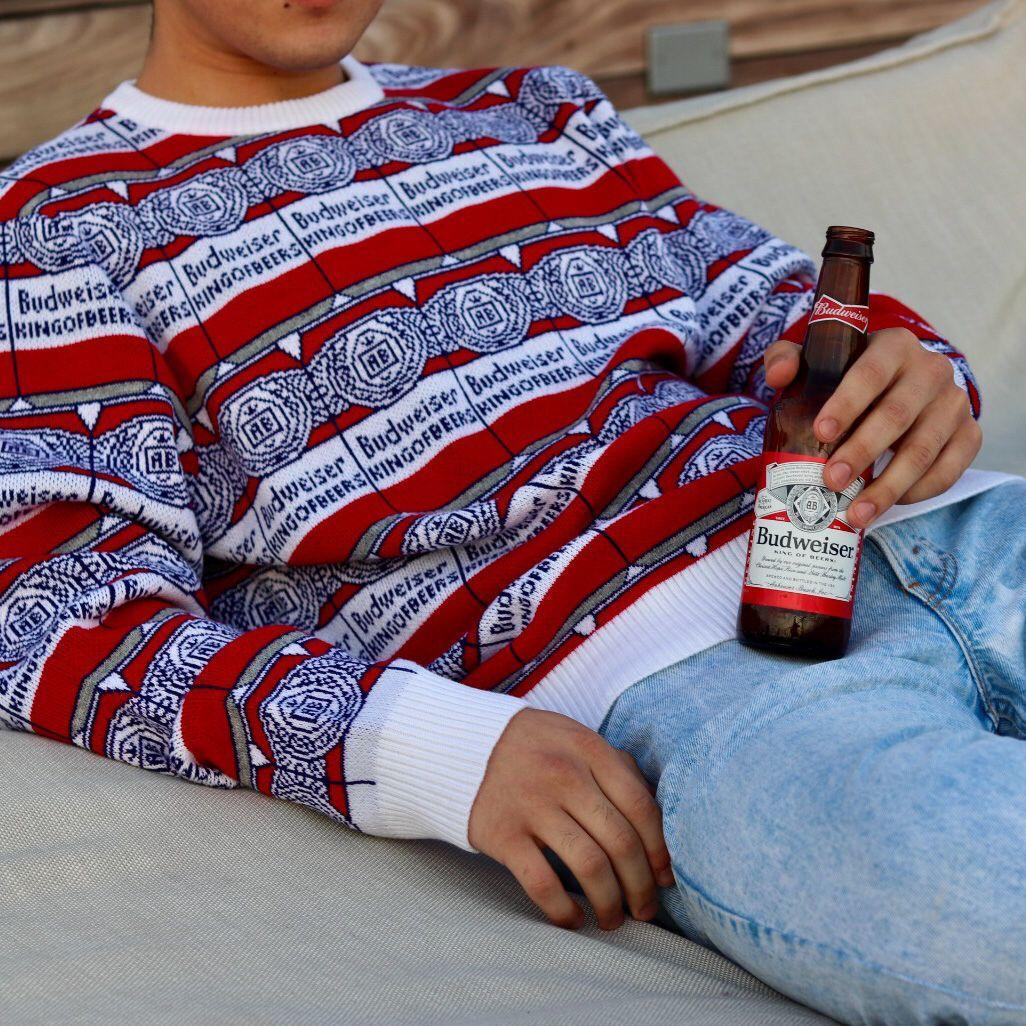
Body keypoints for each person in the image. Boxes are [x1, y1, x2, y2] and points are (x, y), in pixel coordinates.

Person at [1, 0, 1022, 1021]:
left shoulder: (539, 109)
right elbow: (57, 614)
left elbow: (778, 312)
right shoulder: (56, 228)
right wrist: (424, 745)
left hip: (947, 534)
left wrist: (907, 374)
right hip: (692, 688)